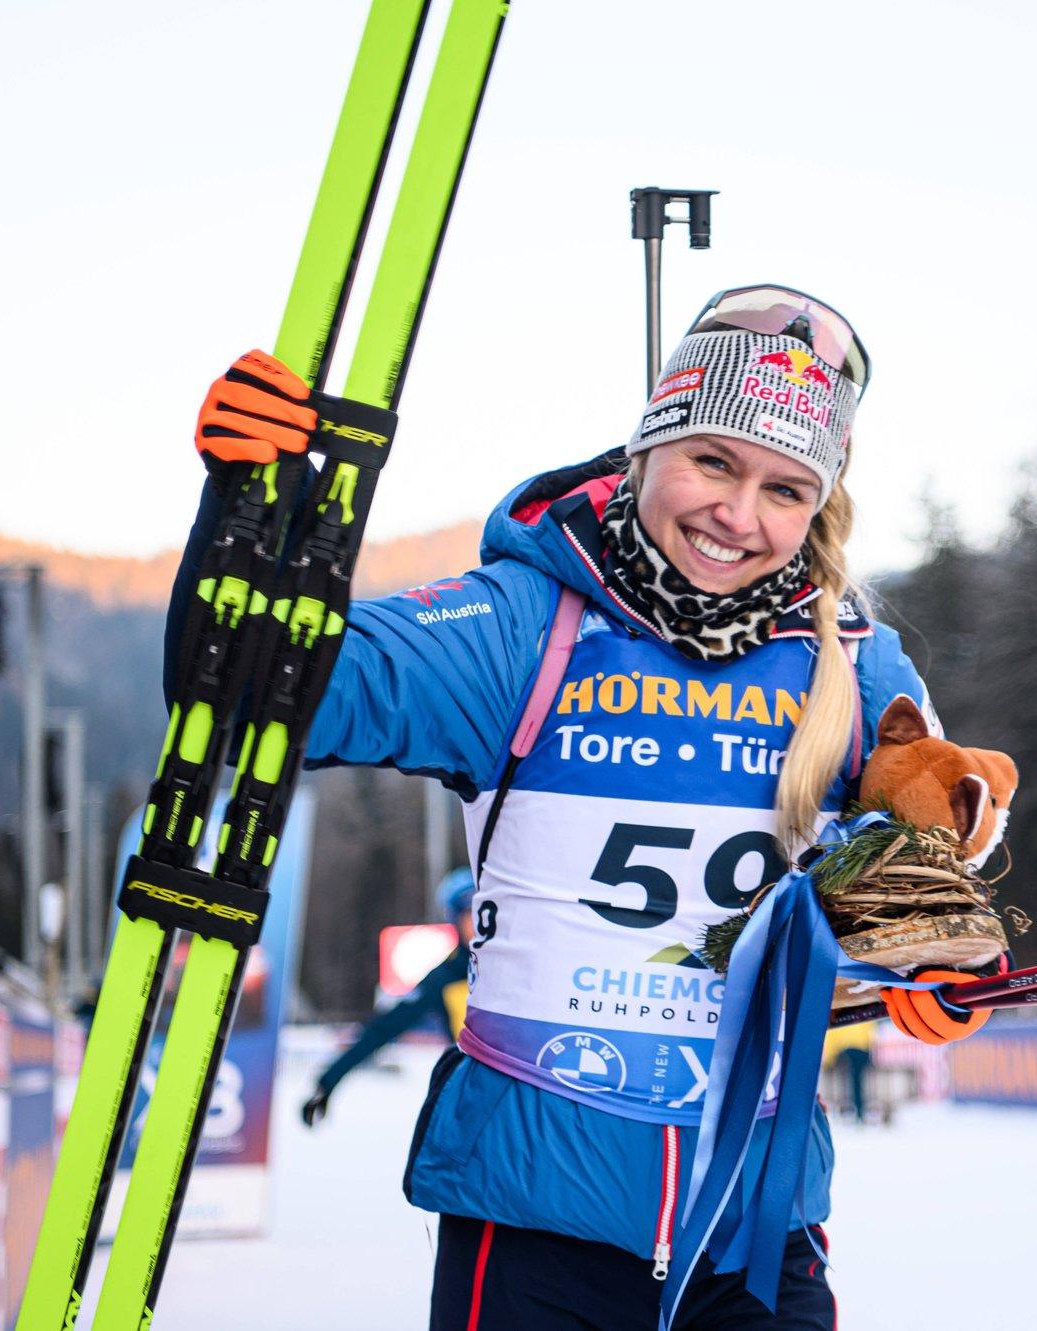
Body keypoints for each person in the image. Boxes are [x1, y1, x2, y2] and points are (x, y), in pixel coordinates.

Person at [171, 285, 992, 1329]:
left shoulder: (852, 659)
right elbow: (245, 689)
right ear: (646, 448)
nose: (738, 516)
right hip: (535, 1225)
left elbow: (914, 861)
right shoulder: (521, 627)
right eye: (712, 462)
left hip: (753, 1233)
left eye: (786, 488)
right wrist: (244, 506)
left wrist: (934, 963)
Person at [300, 867, 477, 1128]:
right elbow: (383, 1029)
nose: (480, 921)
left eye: (484, 909)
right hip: (475, 1099)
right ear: (455, 919)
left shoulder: (522, 965)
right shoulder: (444, 977)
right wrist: (328, 1081)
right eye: (469, 913)